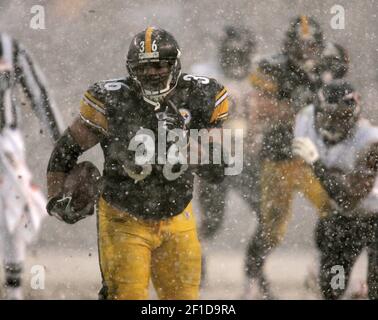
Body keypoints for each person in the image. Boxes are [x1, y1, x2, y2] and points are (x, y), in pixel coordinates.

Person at [46, 27, 231, 300]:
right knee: (128, 295)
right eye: (143, 68)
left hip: (178, 214)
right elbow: (66, 150)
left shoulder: (200, 95)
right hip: (124, 216)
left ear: (175, 64)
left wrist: (188, 146)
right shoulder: (113, 100)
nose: (152, 73)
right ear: (131, 69)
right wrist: (55, 199)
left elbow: (218, 170)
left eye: (159, 65)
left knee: (185, 300)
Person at [243, 16, 331, 299]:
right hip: (278, 157)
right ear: (289, 44)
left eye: (311, 45)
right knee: (272, 230)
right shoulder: (273, 66)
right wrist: (303, 109)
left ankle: (323, 270)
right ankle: (252, 278)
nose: (306, 51)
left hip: (312, 158)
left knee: (336, 211)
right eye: (300, 45)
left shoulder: (327, 66)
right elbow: (261, 110)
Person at [293, 80, 378, 300]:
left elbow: (348, 198)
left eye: (341, 116)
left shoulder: (370, 142)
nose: (333, 123)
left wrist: (317, 166)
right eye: (328, 115)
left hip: (373, 217)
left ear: (355, 116)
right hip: (345, 219)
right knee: (333, 287)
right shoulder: (306, 120)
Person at [190, 25, 258, 284]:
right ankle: (197, 256)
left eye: (241, 55)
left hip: (247, 158)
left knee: (266, 212)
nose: (236, 60)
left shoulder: (258, 75)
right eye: (232, 54)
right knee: (213, 220)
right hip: (214, 158)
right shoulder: (203, 76)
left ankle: (255, 271)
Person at [0, 33, 64, 299]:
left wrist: (63, 147)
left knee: (14, 209)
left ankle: (14, 292)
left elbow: (40, 95)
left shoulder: (9, 47)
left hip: (5, 140)